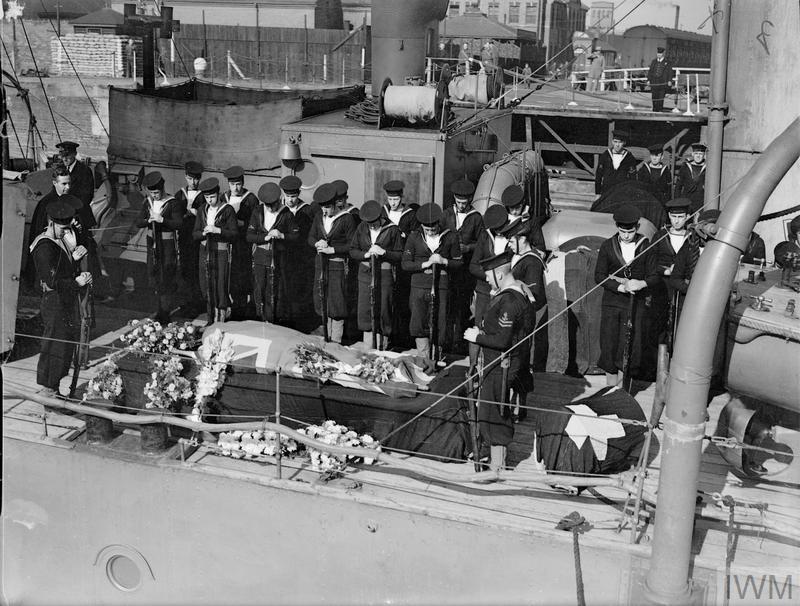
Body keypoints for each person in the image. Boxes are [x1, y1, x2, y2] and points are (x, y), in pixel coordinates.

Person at [463, 249, 534, 471]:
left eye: (488, 275)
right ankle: (494, 458)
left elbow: (504, 340)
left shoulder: (510, 301)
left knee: (494, 412)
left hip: (502, 365)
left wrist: (477, 336)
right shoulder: (519, 292)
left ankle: (498, 466)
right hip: (500, 363)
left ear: (499, 275)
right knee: (491, 409)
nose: (485, 279)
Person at [30, 198, 92, 398]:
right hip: (54, 301)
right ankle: (49, 390)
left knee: (64, 344)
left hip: (64, 300)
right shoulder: (43, 246)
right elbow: (53, 280)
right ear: (51, 223)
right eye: (62, 229)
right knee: (54, 345)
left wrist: (75, 258)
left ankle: (54, 388)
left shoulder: (58, 239)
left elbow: (61, 267)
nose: (66, 233)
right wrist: (77, 282)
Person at [594, 205, 659, 388]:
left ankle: (623, 393)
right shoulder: (607, 246)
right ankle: (610, 391)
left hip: (634, 306)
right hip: (612, 305)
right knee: (609, 346)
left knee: (629, 348)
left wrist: (641, 284)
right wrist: (620, 287)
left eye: (629, 232)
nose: (625, 236)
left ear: (637, 228)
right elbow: (598, 276)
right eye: (622, 231)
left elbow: (654, 276)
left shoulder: (646, 246)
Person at [402, 203, 463, 358]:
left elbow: (459, 263)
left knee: (440, 321)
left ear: (438, 224)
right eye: (427, 229)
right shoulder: (414, 237)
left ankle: (437, 357)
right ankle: (423, 358)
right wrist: (425, 264)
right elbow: (405, 264)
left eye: (433, 229)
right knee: (419, 321)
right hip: (419, 286)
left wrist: (444, 261)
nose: (430, 232)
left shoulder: (451, 236)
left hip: (441, 285)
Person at [349, 200, 404, 350]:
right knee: (365, 308)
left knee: (384, 308)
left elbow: (400, 255)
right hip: (366, 274)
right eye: (369, 223)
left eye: (374, 223)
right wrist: (365, 254)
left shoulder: (392, 229)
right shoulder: (362, 227)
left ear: (380, 217)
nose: (371, 226)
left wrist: (384, 252)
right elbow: (353, 250)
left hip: (385, 274)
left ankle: (383, 346)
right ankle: (369, 347)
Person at [309, 183, 357, 344]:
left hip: (337, 265)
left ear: (335, 204)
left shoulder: (347, 219)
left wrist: (333, 250)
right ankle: (325, 338)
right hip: (320, 264)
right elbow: (311, 237)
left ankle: (336, 341)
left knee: (337, 303)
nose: (325, 211)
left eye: (328, 207)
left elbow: (352, 246)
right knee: (322, 299)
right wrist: (317, 243)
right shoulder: (318, 217)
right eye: (322, 207)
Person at [135, 171, 185, 323]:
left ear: (162, 189)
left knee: (166, 276)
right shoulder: (148, 202)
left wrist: (162, 219)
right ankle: (158, 309)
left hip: (167, 245)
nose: (155, 196)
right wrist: (148, 220)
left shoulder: (172, 202)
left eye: (157, 193)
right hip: (152, 244)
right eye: (152, 193)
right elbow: (138, 222)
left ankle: (165, 312)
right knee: (154, 276)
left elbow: (178, 224)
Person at [442, 179, 484, 352]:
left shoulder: (476, 218)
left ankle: (459, 342)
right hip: (449, 268)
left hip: (465, 271)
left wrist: (468, 248)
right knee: (446, 305)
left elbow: (482, 242)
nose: (461, 206)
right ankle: (445, 341)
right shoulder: (446, 215)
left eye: (464, 203)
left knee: (462, 306)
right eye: (458, 203)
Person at [247, 182, 297, 324]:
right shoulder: (257, 211)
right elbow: (249, 236)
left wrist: (282, 235)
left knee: (276, 290)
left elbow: (296, 236)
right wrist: (265, 237)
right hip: (261, 257)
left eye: (273, 205)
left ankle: (275, 321)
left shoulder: (286, 213)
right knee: (259, 288)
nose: (270, 208)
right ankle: (260, 319)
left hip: (279, 257)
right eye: (267, 206)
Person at [193, 178, 238, 323]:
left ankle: (221, 317)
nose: (209, 200)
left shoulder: (227, 209)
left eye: (212, 197)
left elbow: (234, 233)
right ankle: (210, 317)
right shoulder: (202, 210)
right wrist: (204, 233)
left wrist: (218, 230)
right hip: (205, 250)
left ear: (218, 194)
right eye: (207, 197)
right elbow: (195, 233)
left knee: (220, 283)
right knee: (206, 282)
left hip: (221, 252)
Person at [651, 197, 692, 355]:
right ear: (668, 216)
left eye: (680, 217)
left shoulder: (692, 238)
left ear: (687, 217)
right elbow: (651, 263)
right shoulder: (660, 236)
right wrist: (666, 271)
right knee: (661, 322)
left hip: (682, 286)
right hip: (663, 286)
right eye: (673, 217)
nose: (676, 221)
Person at [221, 165, 259, 319]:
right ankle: (228, 306)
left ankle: (241, 308)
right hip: (226, 243)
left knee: (241, 276)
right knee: (227, 275)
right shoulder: (223, 197)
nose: (235, 188)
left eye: (238, 184)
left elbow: (255, 222)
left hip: (242, 244)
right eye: (232, 184)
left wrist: (239, 224)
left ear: (243, 183)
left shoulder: (251, 199)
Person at [383, 180, 418, 348]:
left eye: (396, 200)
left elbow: (413, 238)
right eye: (390, 200)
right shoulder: (383, 212)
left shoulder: (410, 215)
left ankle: (402, 337)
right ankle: (387, 336)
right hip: (386, 261)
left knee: (402, 300)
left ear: (402, 197)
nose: (393, 203)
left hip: (402, 263)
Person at [281, 175, 317, 328]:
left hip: (301, 257)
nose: (291, 200)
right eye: (288, 196)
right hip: (283, 256)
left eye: (294, 196)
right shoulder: (280, 210)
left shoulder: (307, 211)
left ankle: (301, 322)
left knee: (300, 289)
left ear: (298, 195)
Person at [175, 160, 204, 315]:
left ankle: (198, 302)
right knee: (185, 270)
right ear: (186, 177)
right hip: (184, 238)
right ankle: (188, 301)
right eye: (191, 178)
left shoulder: (204, 195)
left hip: (198, 240)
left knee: (196, 270)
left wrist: (192, 213)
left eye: (196, 179)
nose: (193, 182)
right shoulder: (180, 194)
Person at [56, 141, 95, 229]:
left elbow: (87, 196)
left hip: (79, 215)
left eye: (67, 156)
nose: (65, 159)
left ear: (75, 154)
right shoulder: (60, 169)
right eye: (63, 156)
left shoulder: (84, 171)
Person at [500, 185, 546, 251]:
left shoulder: (531, 220)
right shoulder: (502, 219)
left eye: (518, 207)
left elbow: (540, 246)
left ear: (523, 202)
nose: (514, 212)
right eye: (511, 208)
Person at [595, 130, 637, 196]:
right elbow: (598, 175)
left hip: (621, 192)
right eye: (615, 142)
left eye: (620, 142)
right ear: (612, 142)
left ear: (624, 143)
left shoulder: (629, 157)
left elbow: (633, 177)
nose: (617, 145)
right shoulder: (606, 155)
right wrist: (597, 193)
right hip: (606, 191)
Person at [675, 143, 707, 213]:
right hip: (686, 200)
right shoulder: (685, 167)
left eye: (700, 154)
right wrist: (677, 202)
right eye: (696, 153)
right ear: (692, 154)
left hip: (700, 202)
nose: (698, 156)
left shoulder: (707, 168)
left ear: (704, 155)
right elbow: (678, 186)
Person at [647, 47, 674, 112]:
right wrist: (648, 80)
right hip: (654, 82)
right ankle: (654, 109)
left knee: (661, 97)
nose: (659, 55)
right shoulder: (654, 62)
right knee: (654, 96)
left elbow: (670, 72)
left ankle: (660, 109)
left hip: (663, 82)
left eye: (660, 54)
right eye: (658, 53)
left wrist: (670, 80)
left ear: (663, 54)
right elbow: (650, 71)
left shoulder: (668, 62)